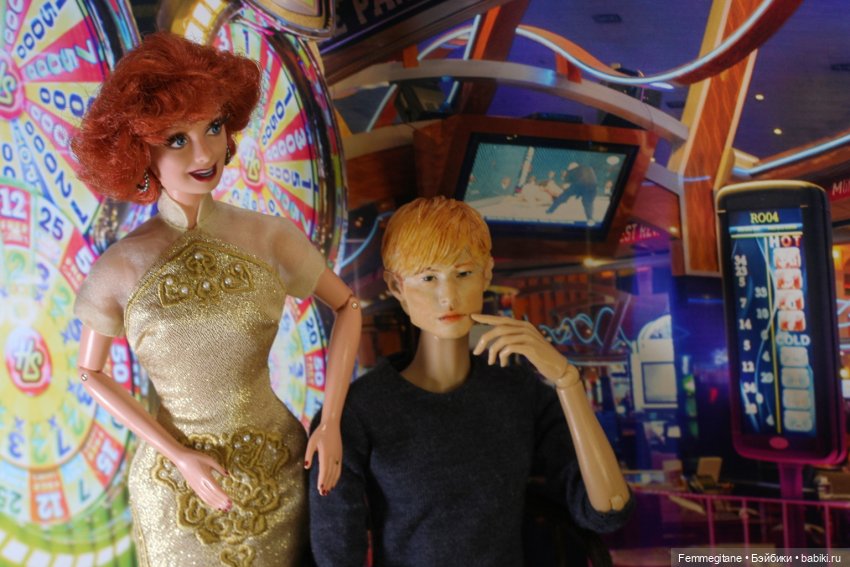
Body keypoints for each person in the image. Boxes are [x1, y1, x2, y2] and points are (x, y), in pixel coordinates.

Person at [71, 32, 360, 566]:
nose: (204, 152)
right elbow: (90, 372)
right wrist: (178, 455)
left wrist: (331, 421)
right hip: (175, 483)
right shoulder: (121, 265)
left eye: (213, 127)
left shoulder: (270, 237)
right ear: (139, 151)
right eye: (176, 139)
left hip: (278, 466)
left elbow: (348, 306)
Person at [309, 197, 631, 566]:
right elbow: (336, 551)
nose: (448, 296)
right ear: (397, 286)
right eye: (428, 277)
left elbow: (608, 510)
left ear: (486, 274)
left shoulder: (519, 394)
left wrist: (567, 380)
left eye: (463, 273)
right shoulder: (357, 413)